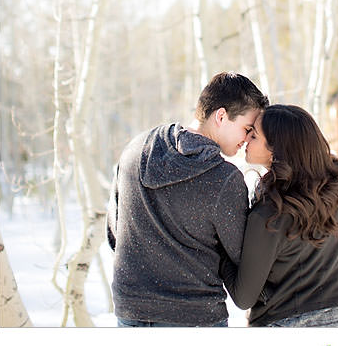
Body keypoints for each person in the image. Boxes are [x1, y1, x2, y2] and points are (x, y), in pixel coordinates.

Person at [107, 72, 269, 327]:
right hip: (195, 317)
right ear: (221, 116)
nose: (247, 139)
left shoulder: (135, 150)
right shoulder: (224, 179)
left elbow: (115, 234)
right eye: (247, 129)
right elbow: (241, 260)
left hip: (132, 311)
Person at [221, 104, 338, 327]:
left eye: (255, 135)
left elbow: (243, 297)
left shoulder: (269, 214)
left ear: (277, 150)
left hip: (283, 322)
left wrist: (218, 246)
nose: (247, 138)